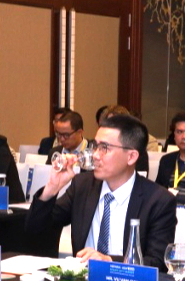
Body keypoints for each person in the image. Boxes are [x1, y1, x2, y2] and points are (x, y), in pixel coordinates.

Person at [25, 113, 176, 269]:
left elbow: (158, 262)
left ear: (131, 157)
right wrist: (51, 188)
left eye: (104, 148)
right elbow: (35, 230)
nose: (96, 155)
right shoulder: (82, 185)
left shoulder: (158, 200)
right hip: (81, 280)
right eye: (95, 146)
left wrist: (109, 261)